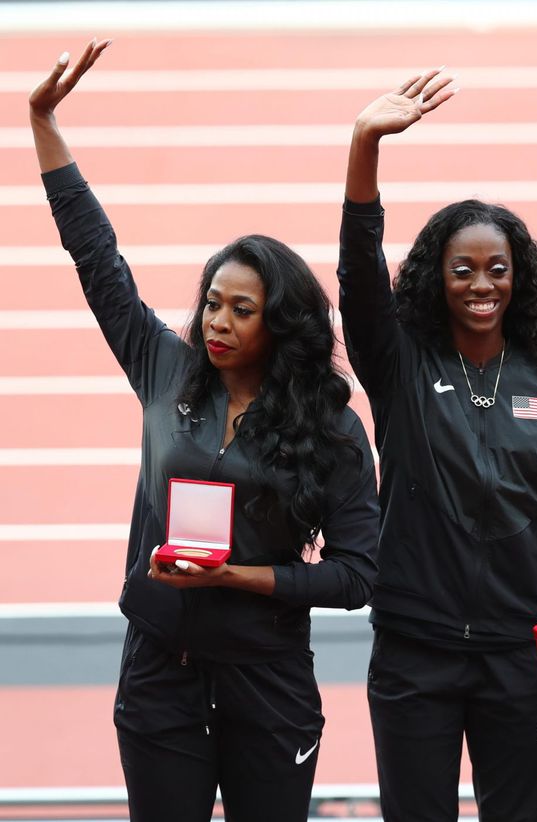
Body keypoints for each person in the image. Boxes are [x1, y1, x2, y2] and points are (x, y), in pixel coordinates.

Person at [28, 40, 381, 822]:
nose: (217, 322)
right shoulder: (165, 368)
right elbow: (97, 258)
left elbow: (359, 577)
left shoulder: (333, 430)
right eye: (213, 302)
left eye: (241, 310)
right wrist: (43, 120)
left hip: (268, 680)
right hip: (161, 672)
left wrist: (238, 579)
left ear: (280, 323)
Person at [338, 66, 537, 822]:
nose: (481, 284)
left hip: (519, 658)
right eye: (463, 270)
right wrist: (365, 145)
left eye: (497, 269)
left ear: (520, 280)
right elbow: (358, 275)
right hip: (413, 651)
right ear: (436, 278)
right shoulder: (400, 366)